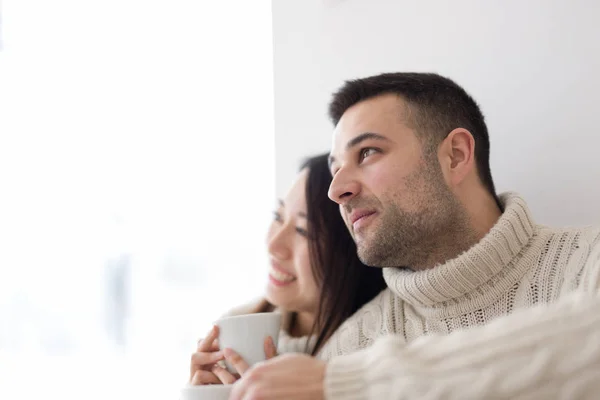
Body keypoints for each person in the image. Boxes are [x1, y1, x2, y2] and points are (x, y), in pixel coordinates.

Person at [230, 73, 600, 400]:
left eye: (368, 152)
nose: (336, 189)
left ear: (455, 156)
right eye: (336, 168)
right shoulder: (351, 347)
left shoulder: (589, 261)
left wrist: (358, 386)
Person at [188, 153, 386, 385]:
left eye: (303, 231)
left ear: (354, 250)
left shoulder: (379, 357)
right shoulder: (236, 329)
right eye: (278, 217)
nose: (274, 245)